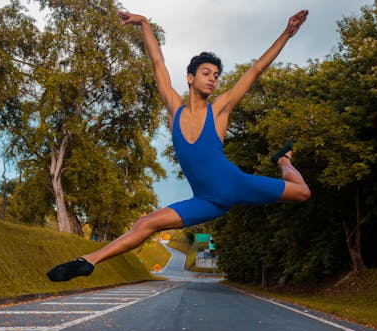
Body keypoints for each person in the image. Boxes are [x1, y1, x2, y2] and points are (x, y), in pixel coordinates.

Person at [47, 8, 311, 282]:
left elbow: (256, 70)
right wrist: (144, 24)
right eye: (206, 73)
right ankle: (88, 261)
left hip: (236, 184)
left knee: (303, 192)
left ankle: (283, 161)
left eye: (216, 75)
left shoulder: (219, 109)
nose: (213, 78)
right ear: (190, 77)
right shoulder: (175, 109)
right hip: (206, 201)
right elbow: (158, 63)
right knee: (145, 223)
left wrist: (287, 34)